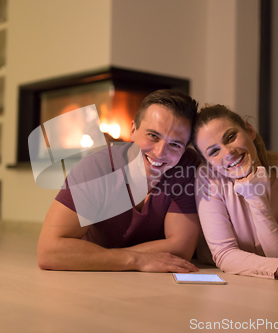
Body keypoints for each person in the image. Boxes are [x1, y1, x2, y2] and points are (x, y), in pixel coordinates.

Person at [38, 89, 202, 273]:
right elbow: (49, 252)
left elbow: (181, 248)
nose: (160, 152)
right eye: (153, 135)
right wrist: (135, 260)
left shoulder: (186, 167)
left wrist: (100, 257)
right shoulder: (96, 169)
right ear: (133, 130)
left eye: (175, 144)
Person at [193, 104, 278, 284]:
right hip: (222, 277)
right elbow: (224, 254)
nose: (228, 152)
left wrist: (255, 197)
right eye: (214, 151)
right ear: (208, 162)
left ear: (249, 130)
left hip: (262, 281)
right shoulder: (208, 177)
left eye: (231, 137)